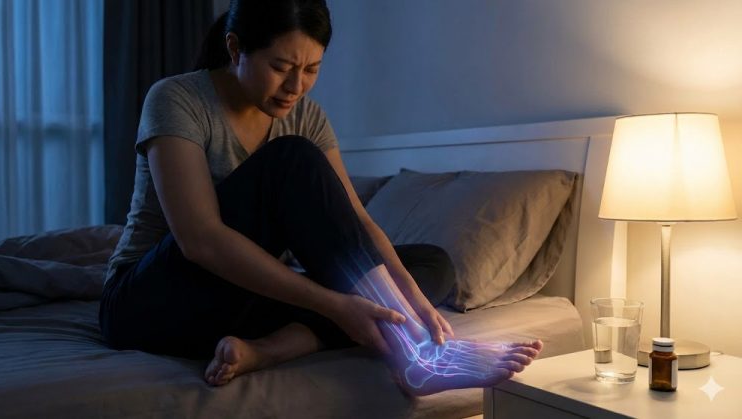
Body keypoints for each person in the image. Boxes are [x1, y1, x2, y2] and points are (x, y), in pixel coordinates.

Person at [99, 0, 541, 397]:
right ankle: (411, 357)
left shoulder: (306, 115)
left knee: (431, 264)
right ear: (235, 49)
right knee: (292, 158)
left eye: (311, 69)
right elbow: (201, 240)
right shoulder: (177, 98)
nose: (297, 86)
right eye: (280, 66)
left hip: (239, 297)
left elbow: (358, 222)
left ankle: (269, 350)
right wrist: (336, 305)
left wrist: (414, 305)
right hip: (151, 302)